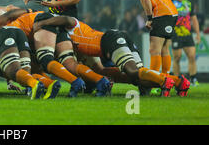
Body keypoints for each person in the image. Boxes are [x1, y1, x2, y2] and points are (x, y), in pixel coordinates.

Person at [32, 15, 191, 97]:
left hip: (110, 40)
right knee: (138, 78)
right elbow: (100, 70)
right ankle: (179, 82)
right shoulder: (70, 41)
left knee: (133, 71)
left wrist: (42, 24)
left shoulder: (71, 26)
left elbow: (66, 18)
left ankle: (164, 80)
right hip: (117, 38)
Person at [0, 9, 112, 97]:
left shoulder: (7, 28)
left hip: (43, 22)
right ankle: (101, 81)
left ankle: (75, 82)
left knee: (45, 60)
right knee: (69, 62)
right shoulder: (22, 17)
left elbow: (2, 18)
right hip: (56, 23)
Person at [112, 0, 177, 76]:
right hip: (171, 12)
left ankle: (154, 82)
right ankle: (165, 80)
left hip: (161, 13)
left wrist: (149, 18)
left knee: (154, 49)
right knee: (164, 49)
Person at [171, 0, 201, 86]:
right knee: (177, 58)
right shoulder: (170, 3)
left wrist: (198, 34)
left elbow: (194, 19)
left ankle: (193, 78)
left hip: (187, 34)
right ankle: (177, 80)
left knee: (192, 56)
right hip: (175, 34)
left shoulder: (188, 3)